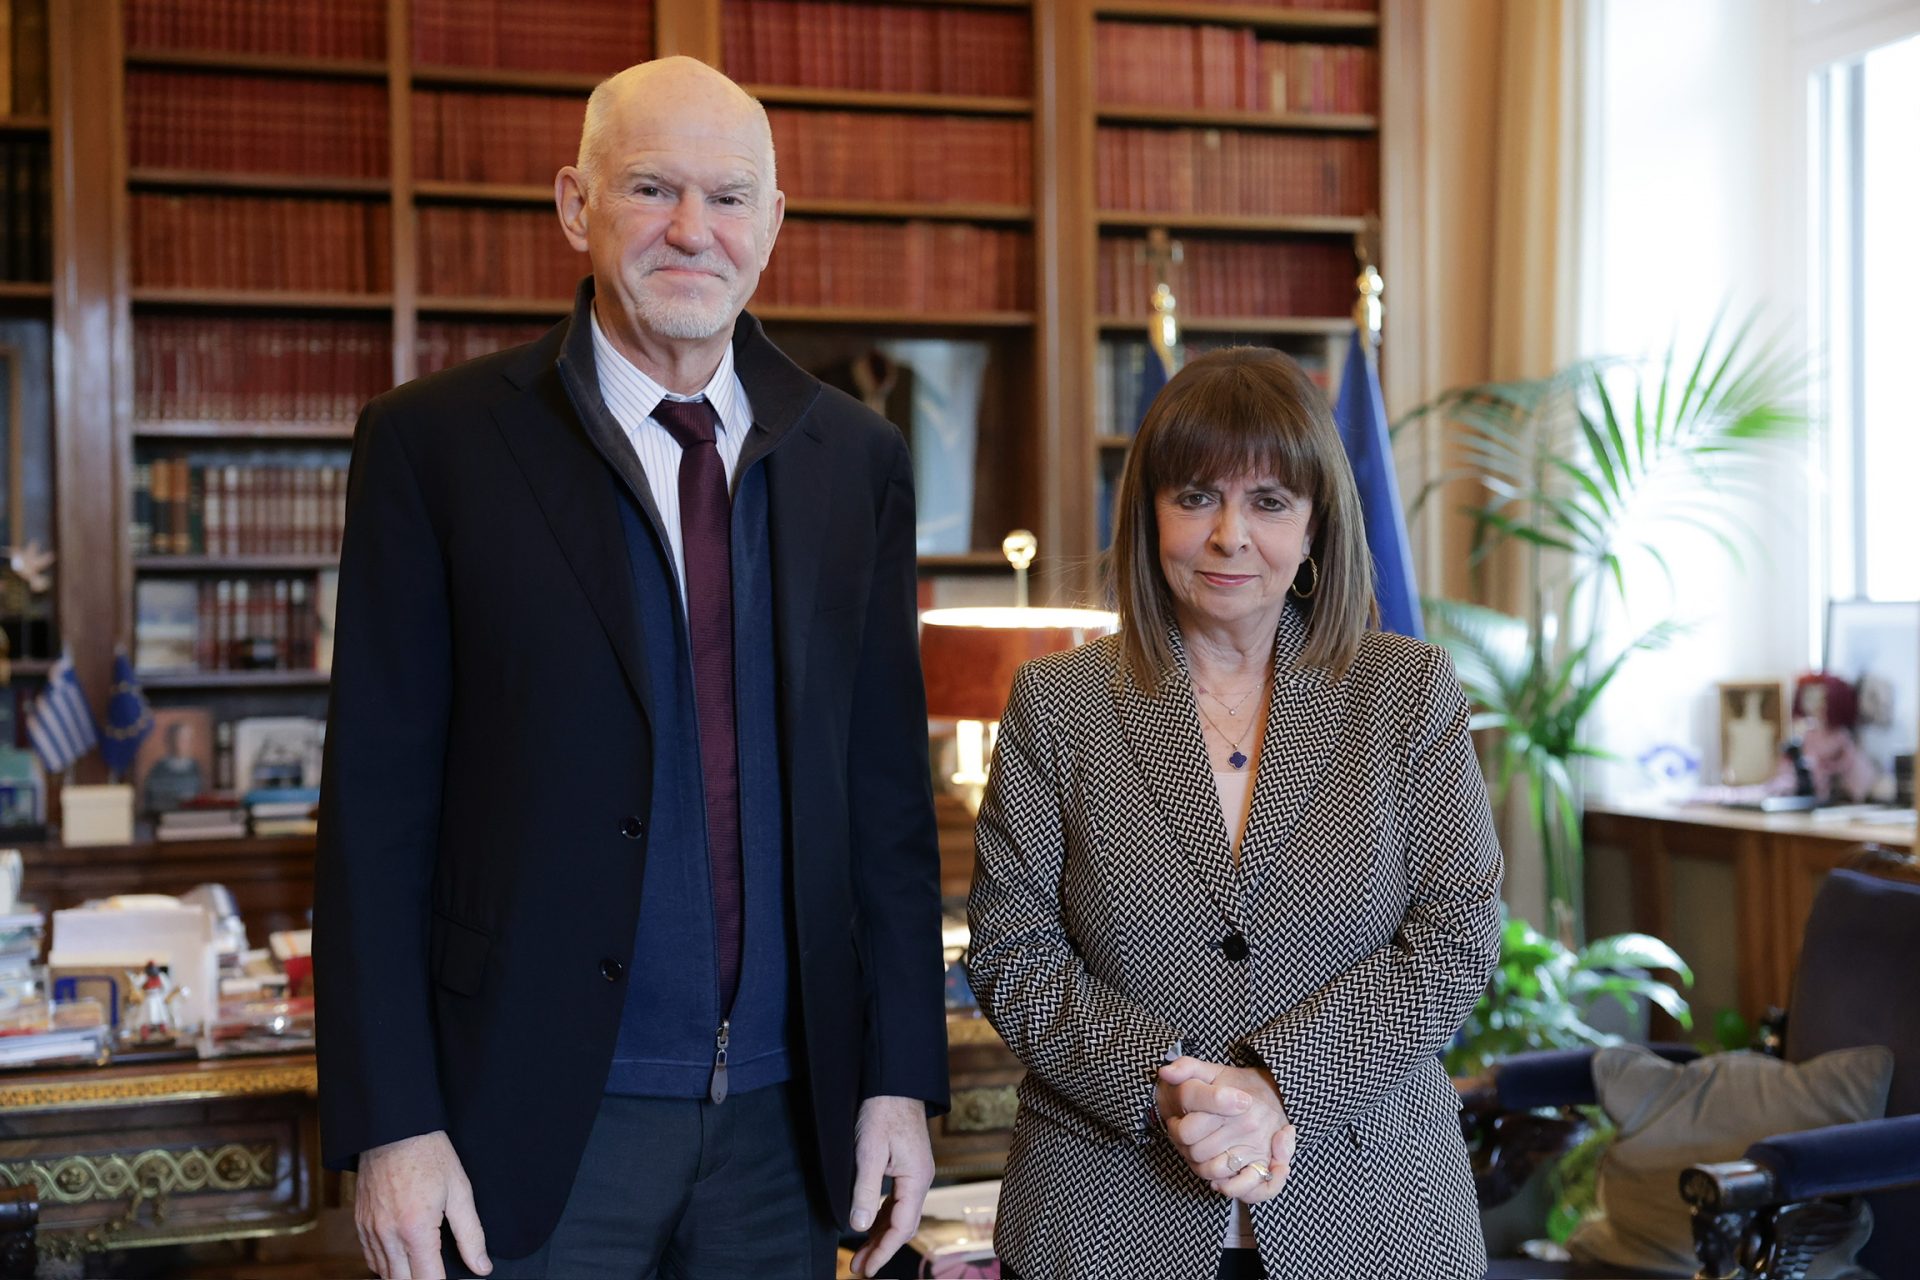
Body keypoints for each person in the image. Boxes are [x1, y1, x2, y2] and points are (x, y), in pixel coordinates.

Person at [314, 57, 947, 1280]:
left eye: (728, 197)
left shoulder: (854, 458)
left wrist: (900, 1079)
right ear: (577, 204)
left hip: (785, 1134)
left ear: (772, 223)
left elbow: (886, 810)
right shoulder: (435, 446)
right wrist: (393, 1121)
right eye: (653, 188)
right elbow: (374, 818)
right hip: (527, 1126)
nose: (692, 230)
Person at [965, 347, 1503, 1279]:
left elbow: (1457, 936)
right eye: (1196, 497)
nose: (1230, 536)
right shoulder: (1057, 705)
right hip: (1102, 1217)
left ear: (1315, 522)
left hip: (1376, 1213)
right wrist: (1167, 1089)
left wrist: (1276, 1086)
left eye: (1269, 502)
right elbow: (1014, 956)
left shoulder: (1405, 691)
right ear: (1148, 513)